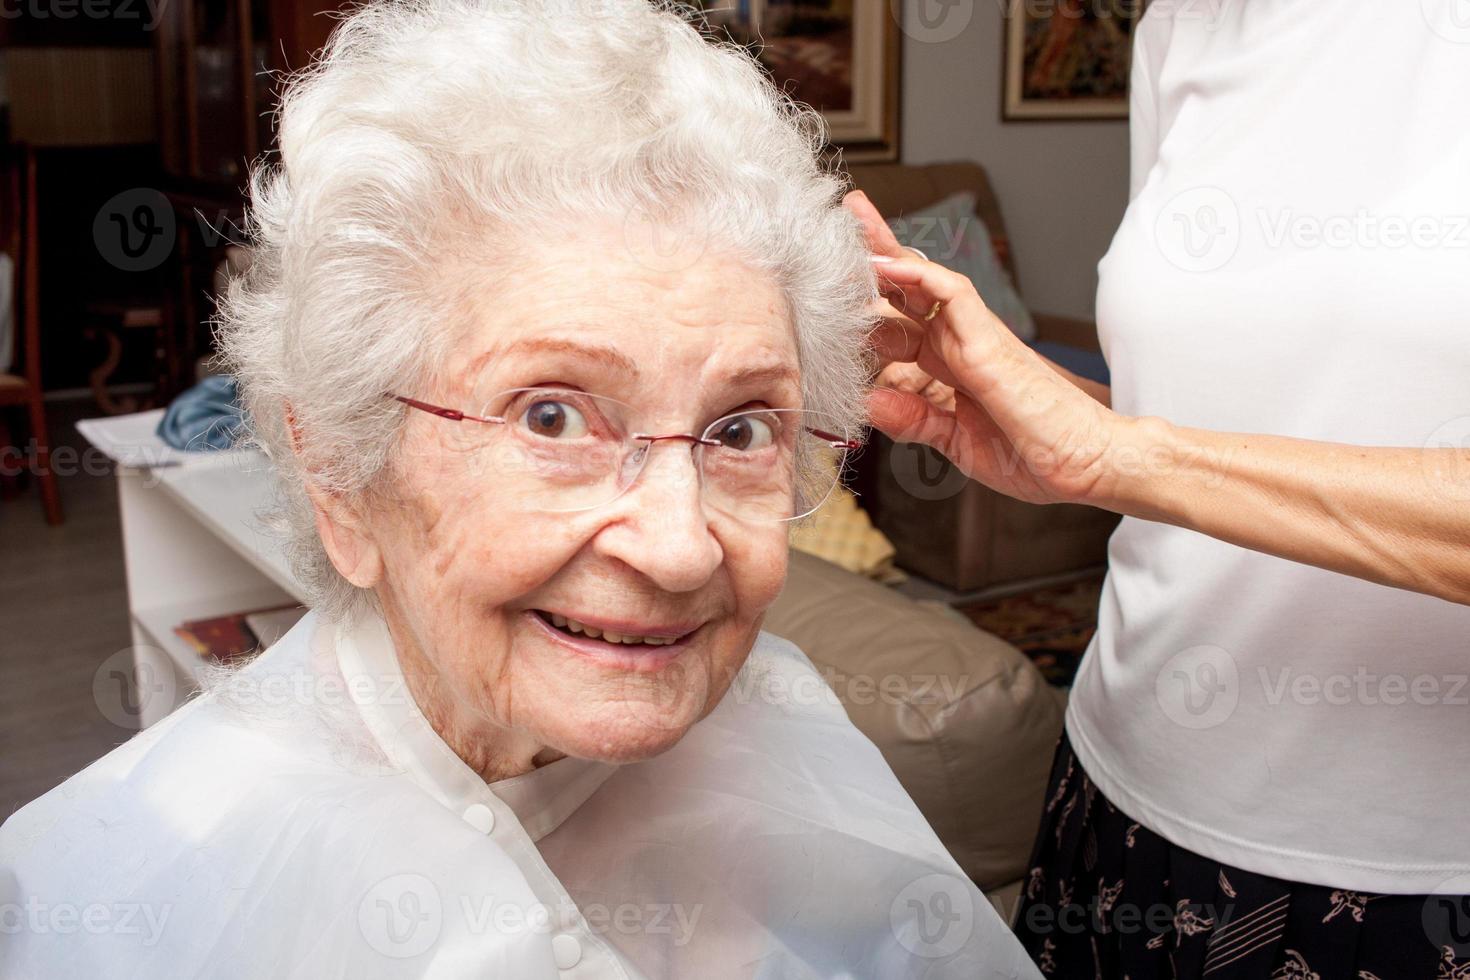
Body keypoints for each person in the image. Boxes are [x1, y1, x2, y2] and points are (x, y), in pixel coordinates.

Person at [0, 2, 1040, 977]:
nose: (681, 548)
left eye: (737, 427)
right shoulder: (111, 894)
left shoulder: (790, 718)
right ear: (340, 479)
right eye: (552, 416)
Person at [849, 2, 1470, 976]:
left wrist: (1119, 456)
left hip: (1409, 872)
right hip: (1117, 787)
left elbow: (1151, 456)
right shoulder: (1183, 27)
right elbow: (1189, 419)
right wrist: (1019, 400)